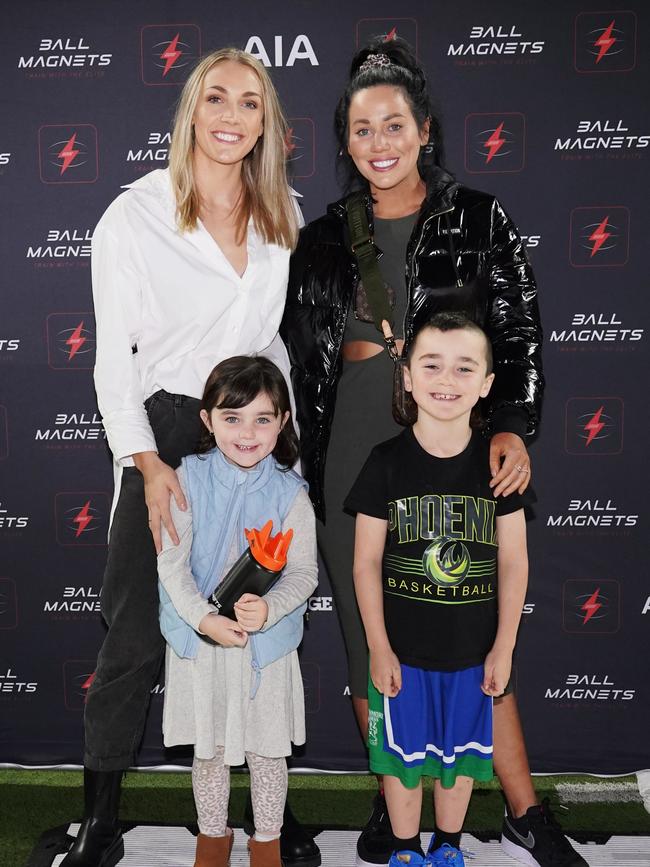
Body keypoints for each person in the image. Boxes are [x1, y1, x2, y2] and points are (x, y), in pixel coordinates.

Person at [282, 35, 585, 867]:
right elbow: (301, 358)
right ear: (345, 141)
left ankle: (523, 810)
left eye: (394, 124)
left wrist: (513, 424)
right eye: (361, 128)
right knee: (364, 630)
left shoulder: (482, 217)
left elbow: (518, 333)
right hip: (352, 442)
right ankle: (397, 802)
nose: (378, 141)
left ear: (424, 132)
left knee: (468, 625)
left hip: (454, 439)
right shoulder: (319, 241)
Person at [62, 48, 321, 867]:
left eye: (250, 102)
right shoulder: (133, 215)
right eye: (217, 97)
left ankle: (267, 818)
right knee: (138, 632)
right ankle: (98, 822)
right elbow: (113, 359)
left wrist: (285, 447)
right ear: (190, 109)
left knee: (255, 619)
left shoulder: (283, 211)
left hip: (251, 437)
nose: (231, 115)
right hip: (167, 433)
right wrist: (146, 464)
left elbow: (272, 339)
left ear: (265, 122)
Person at [345, 313, 529, 867]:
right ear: (405, 376)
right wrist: (378, 646)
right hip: (402, 654)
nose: (446, 380)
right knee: (400, 764)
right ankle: (406, 851)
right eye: (431, 365)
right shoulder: (385, 463)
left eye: (464, 367)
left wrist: (503, 647)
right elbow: (365, 563)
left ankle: (447, 848)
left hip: (472, 655)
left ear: (486, 384)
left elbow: (515, 562)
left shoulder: (499, 468)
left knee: (461, 762)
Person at [157, 355, 318, 867]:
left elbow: (304, 573)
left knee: (268, 752)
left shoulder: (292, 494)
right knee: (209, 751)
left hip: (263, 650)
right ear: (207, 420)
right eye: (232, 418)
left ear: (282, 422)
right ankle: (212, 840)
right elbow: (171, 565)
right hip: (199, 642)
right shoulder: (184, 479)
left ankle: (266, 842)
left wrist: (268, 609)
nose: (247, 433)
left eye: (262, 419)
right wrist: (204, 620)